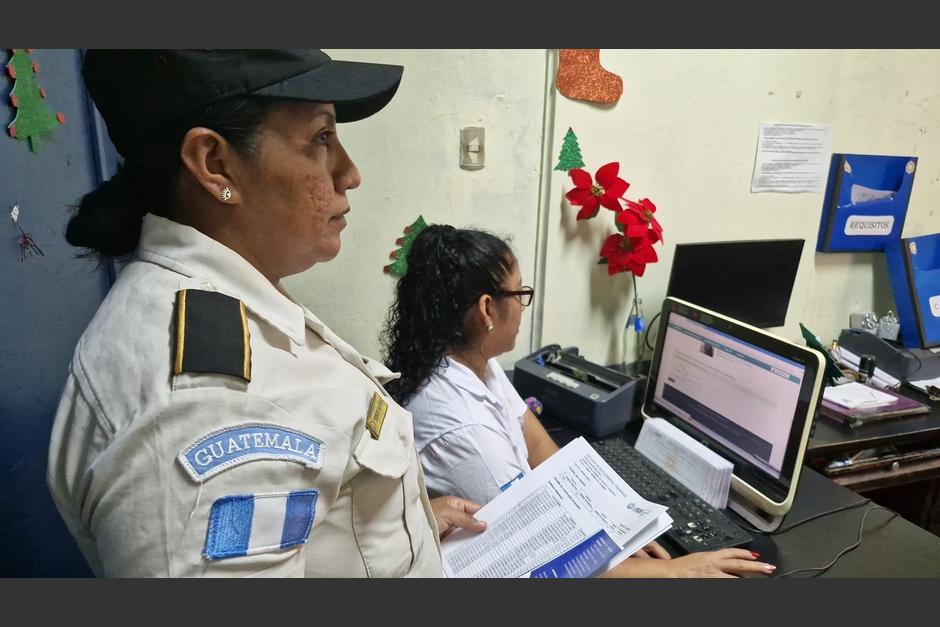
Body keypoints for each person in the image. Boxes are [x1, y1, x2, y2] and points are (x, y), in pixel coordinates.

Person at [46, 49, 485, 578]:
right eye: (322, 138)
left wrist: (395, 524)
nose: (349, 173)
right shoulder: (204, 406)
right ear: (214, 163)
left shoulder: (237, 304)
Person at [381, 224, 778, 577]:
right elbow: (543, 555)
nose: (522, 306)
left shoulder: (470, 357)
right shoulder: (466, 433)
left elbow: (534, 439)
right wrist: (678, 572)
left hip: (536, 535)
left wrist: (609, 520)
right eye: (520, 294)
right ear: (487, 309)